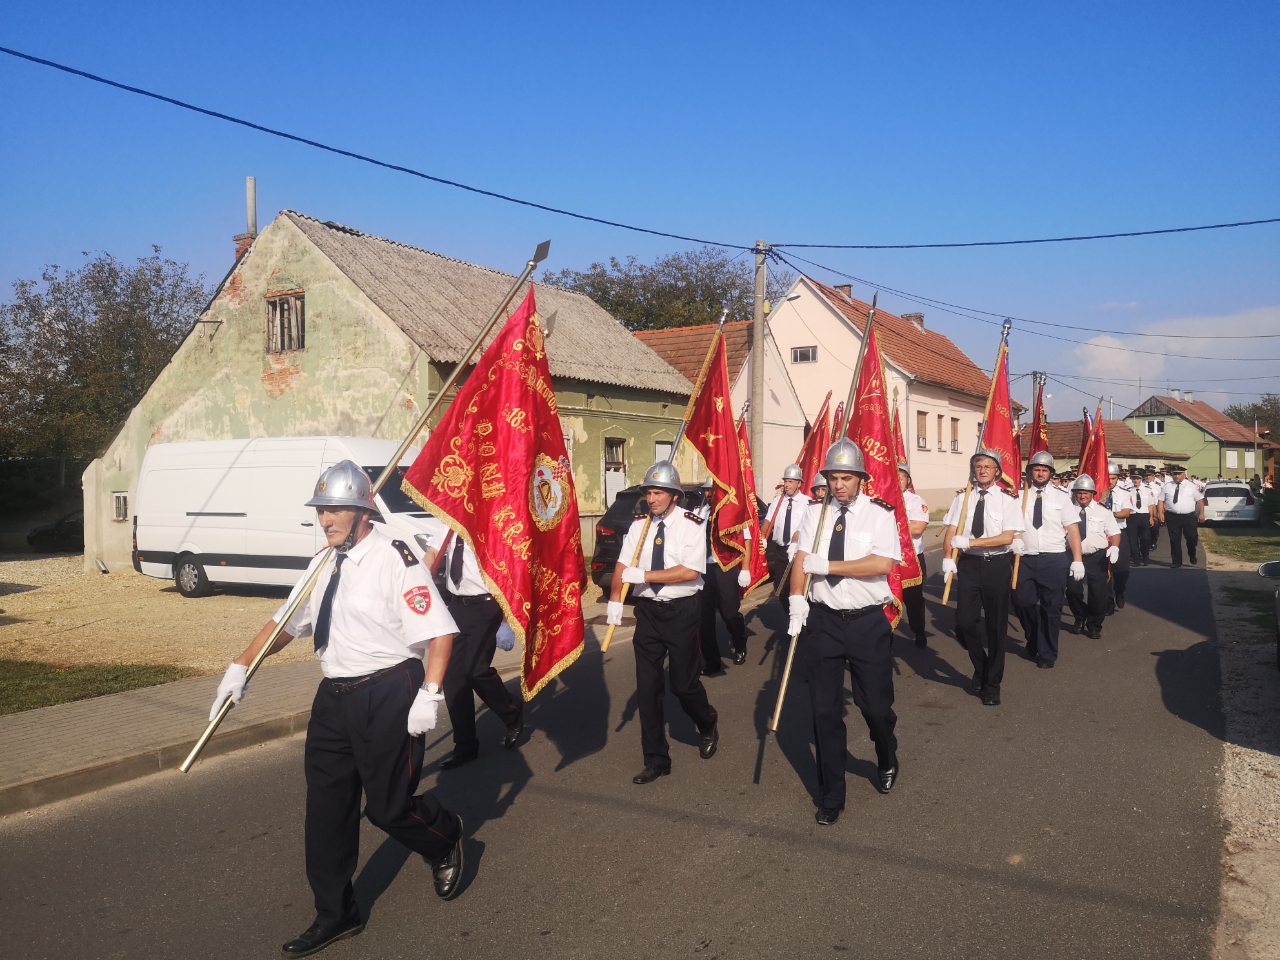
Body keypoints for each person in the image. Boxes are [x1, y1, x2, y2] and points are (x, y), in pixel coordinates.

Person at [209, 461, 464, 958]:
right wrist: (241, 665)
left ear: (363, 510)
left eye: (336, 510)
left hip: (389, 690)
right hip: (334, 698)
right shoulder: (322, 561)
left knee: (389, 808)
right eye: (321, 510)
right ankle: (336, 912)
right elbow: (287, 622)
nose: (325, 520)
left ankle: (444, 835)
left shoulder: (395, 556)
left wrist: (430, 694)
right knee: (326, 810)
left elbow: (439, 631)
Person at [788, 439, 902, 825]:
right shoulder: (814, 514)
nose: (839, 485)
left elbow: (881, 563)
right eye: (833, 478)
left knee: (875, 708)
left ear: (861, 479)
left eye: (846, 478)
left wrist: (832, 565)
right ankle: (831, 795)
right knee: (824, 712)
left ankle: (886, 752)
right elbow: (803, 559)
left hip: (867, 622)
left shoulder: (879, 514)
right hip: (824, 621)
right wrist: (795, 600)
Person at [606, 460, 719, 784]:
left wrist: (645, 575)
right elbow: (622, 564)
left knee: (683, 685)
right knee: (647, 688)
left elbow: (690, 571)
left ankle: (707, 720)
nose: (651, 498)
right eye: (649, 492)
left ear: (673, 495)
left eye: (657, 493)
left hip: (681, 611)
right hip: (649, 613)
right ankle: (656, 758)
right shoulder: (639, 526)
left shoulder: (691, 524)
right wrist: (616, 599)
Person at [436, 525, 525, 769]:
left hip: (486, 606)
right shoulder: (446, 523)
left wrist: (505, 621)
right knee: (453, 677)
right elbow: (431, 556)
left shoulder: (490, 522)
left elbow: (508, 572)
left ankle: (511, 711)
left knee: (474, 669)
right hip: (456, 606)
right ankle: (465, 746)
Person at [941, 449, 1025, 706]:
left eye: (988, 466)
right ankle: (981, 665)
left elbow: (1006, 537)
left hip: (996, 565)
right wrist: (947, 556)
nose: (983, 470)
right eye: (978, 466)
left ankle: (992, 684)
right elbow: (952, 530)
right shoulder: (963, 497)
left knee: (996, 627)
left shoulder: (1008, 499)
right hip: (969, 565)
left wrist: (972, 541)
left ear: (997, 471)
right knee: (965, 622)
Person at [1011, 451, 1084, 669]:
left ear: (1051, 473)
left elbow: (1072, 529)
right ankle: (1033, 638)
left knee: (1051, 608)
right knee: (1022, 603)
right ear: (1030, 472)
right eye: (1037, 469)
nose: (1040, 473)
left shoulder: (1062, 498)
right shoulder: (1019, 496)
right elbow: (1011, 525)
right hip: (1024, 558)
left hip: (1053, 559)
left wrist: (1077, 559)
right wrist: (1014, 539)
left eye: (1045, 470)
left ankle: (1047, 652)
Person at [696, 477, 752, 675]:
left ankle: (739, 640)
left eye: (711, 490)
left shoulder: (732, 510)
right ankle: (712, 661)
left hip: (726, 567)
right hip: (703, 569)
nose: (708, 494)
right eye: (706, 490)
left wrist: (745, 568)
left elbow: (745, 540)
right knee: (704, 619)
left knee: (729, 613)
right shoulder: (700, 511)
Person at [1065, 474, 1122, 639]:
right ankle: (1080, 616)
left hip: (1097, 557)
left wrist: (1115, 547)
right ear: (1075, 493)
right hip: (1073, 556)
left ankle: (1094, 624)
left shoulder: (1103, 512)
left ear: (1092, 493)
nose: (1082, 496)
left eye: (1086, 492)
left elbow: (1115, 532)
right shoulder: (1067, 510)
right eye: (1079, 492)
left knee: (1098, 593)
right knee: (1073, 591)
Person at [897, 462, 931, 648]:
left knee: (914, 601)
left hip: (911, 559)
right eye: (895, 476)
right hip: (888, 559)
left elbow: (917, 528)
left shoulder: (917, 501)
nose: (898, 480)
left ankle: (919, 631)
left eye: (902, 476)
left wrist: (888, 528)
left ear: (908, 480)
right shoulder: (880, 500)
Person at [762, 464, 808, 591]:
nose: (786, 485)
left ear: (799, 483)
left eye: (790, 482)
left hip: (797, 551)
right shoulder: (777, 501)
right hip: (780, 551)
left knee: (797, 586)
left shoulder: (807, 502)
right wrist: (762, 536)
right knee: (779, 588)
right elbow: (768, 519)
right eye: (785, 481)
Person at [1159, 464, 1205, 569]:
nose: (1176, 476)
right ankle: (1176, 562)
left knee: (1191, 538)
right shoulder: (1167, 486)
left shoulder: (1191, 486)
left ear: (1184, 474)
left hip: (1188, 517)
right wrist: (1161, 513)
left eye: (1178, 474)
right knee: (1174, 540)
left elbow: (1200, 500)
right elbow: (1161, 500)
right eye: (1174, 474)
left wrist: (1201, 513)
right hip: (1172, 517)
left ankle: (1192, 553)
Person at [1104, 463, 1133, 610]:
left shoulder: (1124, 493)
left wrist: (1109, 514)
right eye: (1107, 477)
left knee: (1121, 569)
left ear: (1117, 478)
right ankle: (1108, 601)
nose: (1110, 481)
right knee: (1104, 569)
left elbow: (1126, 513)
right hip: (1102, 534)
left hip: (1119, 532)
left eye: (1113, 478)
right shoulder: (1097, 492)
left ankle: (1120, 591)